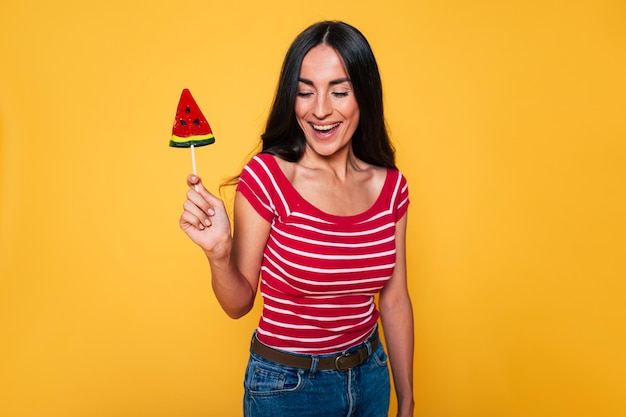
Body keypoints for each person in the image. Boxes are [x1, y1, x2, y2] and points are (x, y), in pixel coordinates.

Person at [179, 21, 414, 417]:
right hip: (288, 389)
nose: (320, 110)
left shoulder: (391, 187)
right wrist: (219, 254)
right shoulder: (267, 177)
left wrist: (406, 399)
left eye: (339, 91)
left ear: (365, 96)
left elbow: (393, 299)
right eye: (305, 92)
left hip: (372, 378)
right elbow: (239, 304)